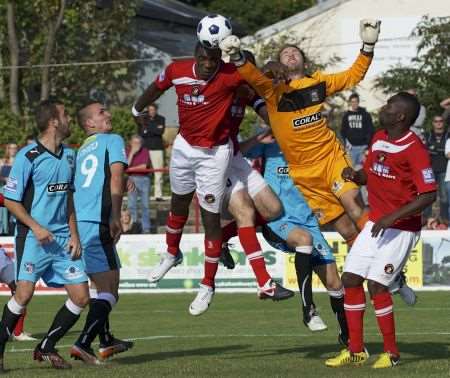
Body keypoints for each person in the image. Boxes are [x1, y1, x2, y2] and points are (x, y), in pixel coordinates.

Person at [219, 19, 381, 248]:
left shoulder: (319, 82)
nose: (291, 54)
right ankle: (370, 273)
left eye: (295, 51)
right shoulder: (272, 91)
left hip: (331, 159)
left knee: (355, 207)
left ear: (304, 61)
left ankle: (383, 261)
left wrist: (368, 46)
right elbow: (253, 75)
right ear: (279, 64)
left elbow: (353, 75)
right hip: (304, 173)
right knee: (345, 229)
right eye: (285, 53)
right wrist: (237, 57)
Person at [133, 42, 251, 314]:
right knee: (178, 204)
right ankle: (172, 253)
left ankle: (207, 284)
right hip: (184, 147)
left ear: (219, 58)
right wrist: (135, 109)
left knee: (210, 218)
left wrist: (242, 56)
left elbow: (257, 80)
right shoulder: (178, 69)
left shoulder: (230, 73)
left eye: (213, 59)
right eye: (204, 59)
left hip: (215, 153)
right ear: (196, 57)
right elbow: (156, 87)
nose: (209, 64)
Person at [325, 92, 437, 368]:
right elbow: (371, 173)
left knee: (377, 285)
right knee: (350, 279)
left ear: (401, 116)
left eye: (389, 106)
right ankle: (356, 350)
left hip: (401, 228)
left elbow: (428, 195)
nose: (383, 108)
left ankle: (392, 353)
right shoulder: (378, 137)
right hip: (377, 224)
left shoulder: (415, 148)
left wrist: (391, 218)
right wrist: (356, 176)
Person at [0, 99, 89, 371]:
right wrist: (37, 227)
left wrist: (74, 234)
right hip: (33, 238)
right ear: (53, 121)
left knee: (81, 297)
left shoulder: (70, 155)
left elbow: (68, 198)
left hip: (63, 239)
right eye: (65, 115)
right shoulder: (28, 157)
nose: (70, 119)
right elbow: (10, 200)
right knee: (24, 294)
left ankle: (46, 346)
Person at [242, 132, 348, 341]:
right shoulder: (271, 144)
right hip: (277, 221)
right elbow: (237, 152)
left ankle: (347, 336)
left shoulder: (314, 147)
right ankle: (308, 310)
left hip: (309, 222)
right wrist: (257, 138)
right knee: (303, 240)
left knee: (335, 284)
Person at [70, 101, 133, 363]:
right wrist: (115, 215)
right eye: (102, 112)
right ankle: (83, 343)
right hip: (98, 222)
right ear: (89, 124)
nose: (108, 114)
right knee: (111, 290)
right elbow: (116, 178)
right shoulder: (112, 139)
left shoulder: (79, 151)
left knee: (99, 287)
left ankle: (106, 341)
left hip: (81, 222)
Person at [0, 247, 35, 342]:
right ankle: (14, 332)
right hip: (3, 262)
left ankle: (17, 331)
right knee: (20, 292)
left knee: (20, 291)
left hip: (3, 261)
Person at [135, 104, 165, 201]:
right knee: (143, 172)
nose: (151, 111)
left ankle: (158, 195)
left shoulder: (161, 119)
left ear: (156, 110)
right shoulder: (143, 119)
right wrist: (154, 128)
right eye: (149, 110)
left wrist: (148, 128)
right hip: (145, 149)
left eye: (153, 110)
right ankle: (141, 195)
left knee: (158, 172)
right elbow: (141, 134)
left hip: (157, 148)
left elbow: (160, 132)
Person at [424, 115, 448, 221]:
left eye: (441, 121)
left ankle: (444, 219)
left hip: (444, 170)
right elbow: (424, 151)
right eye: (436, 121)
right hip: (430, 170)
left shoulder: (448, 135)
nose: (438, 123)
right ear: (433, 123)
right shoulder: (428, 135)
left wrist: (434, 150)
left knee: (444, 198)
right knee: (427, 196)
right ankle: (426, 218)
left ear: (443, 123)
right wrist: (440, 150)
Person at [341, 93, 374, 168]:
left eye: (355, 101)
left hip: (363, 148)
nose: (354, 103)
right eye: (352, 102)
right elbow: (343, 131)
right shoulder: (346, 116)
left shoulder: (365, 115)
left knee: (364, 170)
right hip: (351, 148)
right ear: (350, 103)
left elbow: (371, 130)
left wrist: (368, 146)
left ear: (358, 102)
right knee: (351, 170)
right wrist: (346, 142)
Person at [126, 135, 151, 233]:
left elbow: (144, 166)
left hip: (144, 179)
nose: (137, 145)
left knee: (145, 205)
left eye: (138, 143)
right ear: (131, 143)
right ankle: (133, 227)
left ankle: (146, 228)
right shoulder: (127, 151)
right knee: (132, 205)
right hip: (131, 179)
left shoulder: (145, 151)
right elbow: (125, 165)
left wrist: (130, 169)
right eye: (134, 143)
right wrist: (132, 153)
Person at [0, 143, 18, 235]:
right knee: (3, 213)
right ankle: (3, 231)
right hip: (4, 189)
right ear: (8, 149)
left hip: (16, 190)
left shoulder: (19, 161)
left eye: (15, 148)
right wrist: (5, 179)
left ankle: (13, 231)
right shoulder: (2, 161)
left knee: (15, 211)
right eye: (11, 148)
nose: (13, 150)